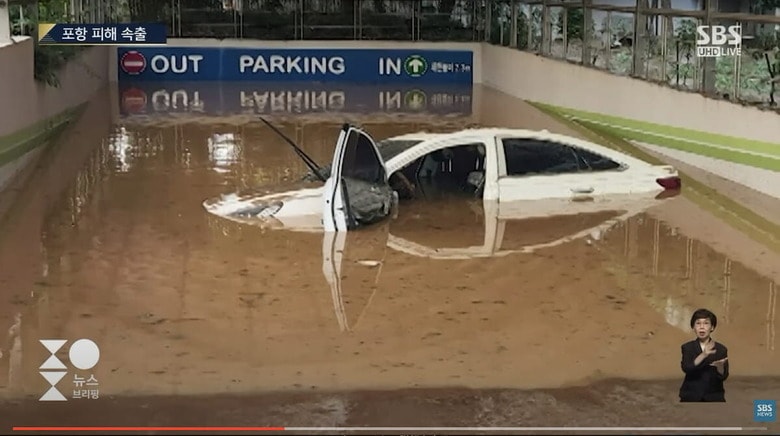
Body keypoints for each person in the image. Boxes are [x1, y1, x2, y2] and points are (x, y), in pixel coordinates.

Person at [679, 308, 729, 402]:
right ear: (693, 327)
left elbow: (724, 376)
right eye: (698, 323)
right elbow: (687, 368)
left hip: (714, 397)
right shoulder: (687, 347)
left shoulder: (721, 349)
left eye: (706, 323)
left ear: (712, 327)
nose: (702, 327)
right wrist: (704, 355)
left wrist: (720, 367)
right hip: (690, 396)